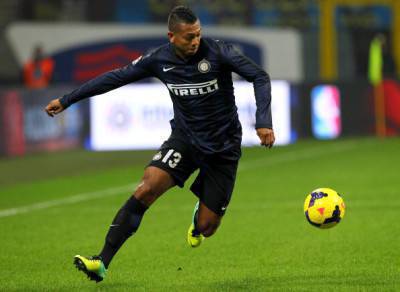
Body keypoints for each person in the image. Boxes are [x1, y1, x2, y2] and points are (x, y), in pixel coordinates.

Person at [45, 6, 275, 283]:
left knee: (207, 226)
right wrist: (67, 100)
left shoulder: (218, 52)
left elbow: (259, 76)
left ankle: (199, 212)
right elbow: (114, 78)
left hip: (223, 147)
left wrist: (263, 120)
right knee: (147, 187)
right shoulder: (157, 59)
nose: (195, 42)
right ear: (171, 36)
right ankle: (101, 261)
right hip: (185, 140)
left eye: (198, 35)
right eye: (189, 37)